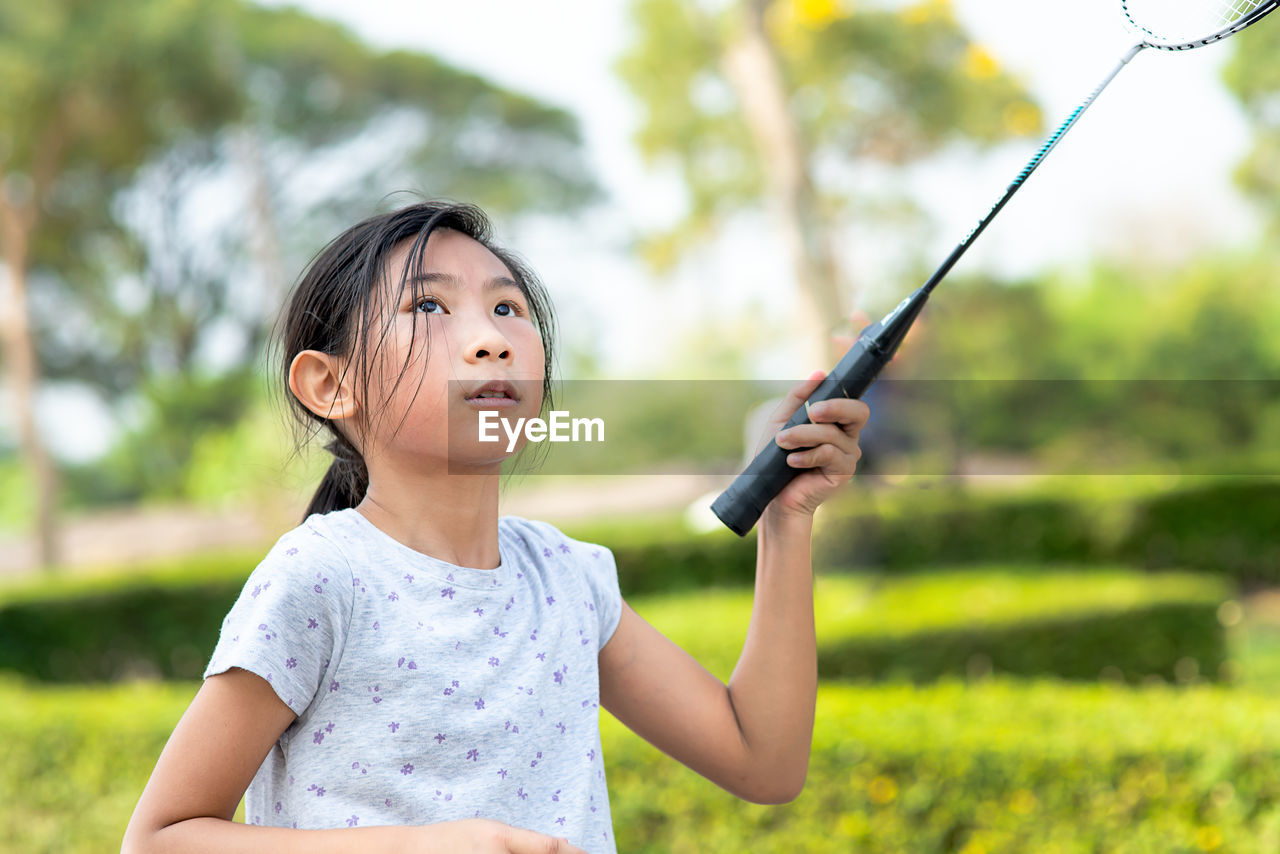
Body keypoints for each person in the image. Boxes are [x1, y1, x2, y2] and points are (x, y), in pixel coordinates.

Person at [121, 200, 871, 854]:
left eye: (508, 308)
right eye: (427, 307)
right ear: (330, 384)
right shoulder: (323, 577)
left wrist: (786, 521)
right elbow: (160, 838)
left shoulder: (567, 577)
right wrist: (422, 847)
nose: (491, 338)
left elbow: (762, 761)